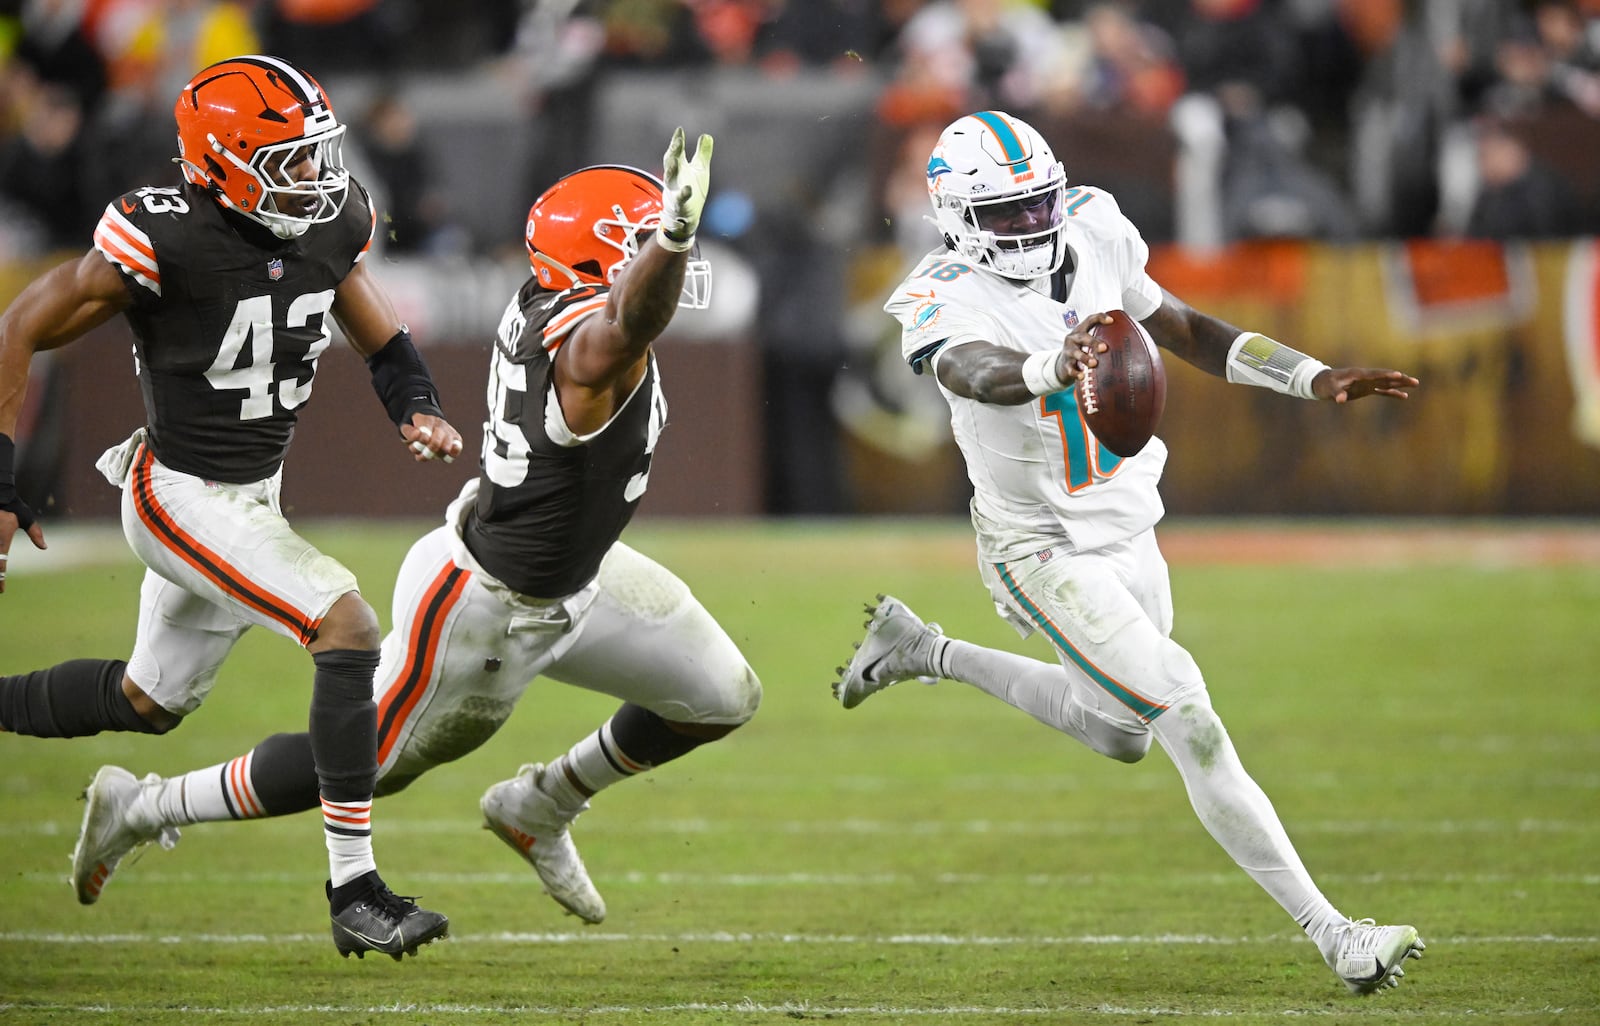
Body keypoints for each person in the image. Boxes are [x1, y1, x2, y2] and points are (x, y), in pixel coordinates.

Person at [59, 128, 761, 926]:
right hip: (491, 605)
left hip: (581, 576)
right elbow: (622, 330)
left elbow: (624, 317)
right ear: (603, 262)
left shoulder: (565, 307)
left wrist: (659, 245)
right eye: (635, 246)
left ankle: (542, 803)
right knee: (367, 767)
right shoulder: (587, 349)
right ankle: (144, 807)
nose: (665, 263)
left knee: (719, 695)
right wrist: (670, 238)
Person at [836, 109, 1426, 996]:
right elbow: (968, 369)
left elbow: (1185, 328)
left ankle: (926, 651)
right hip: (1039, 546)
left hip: (1128, 526)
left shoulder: (1095, 223)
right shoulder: (940, 288)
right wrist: (1047, 368)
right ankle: (1336, 932)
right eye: (1006, 215)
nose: (1033, 227)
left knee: (1119, 735)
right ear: (957, 217)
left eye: (1037, 205)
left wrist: (1310, 376)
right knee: (1188, 715)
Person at [0, 55, 463, 960]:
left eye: (314, 155)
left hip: (252, 494)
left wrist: (415, 401)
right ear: (219, 164)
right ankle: (354, 890)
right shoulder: (160, 233)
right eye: (287, 161)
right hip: (178, 490)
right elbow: (19, 325)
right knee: (346, 625)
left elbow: (371, 322)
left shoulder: (328, 218)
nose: (315, 179)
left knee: (148, 701)